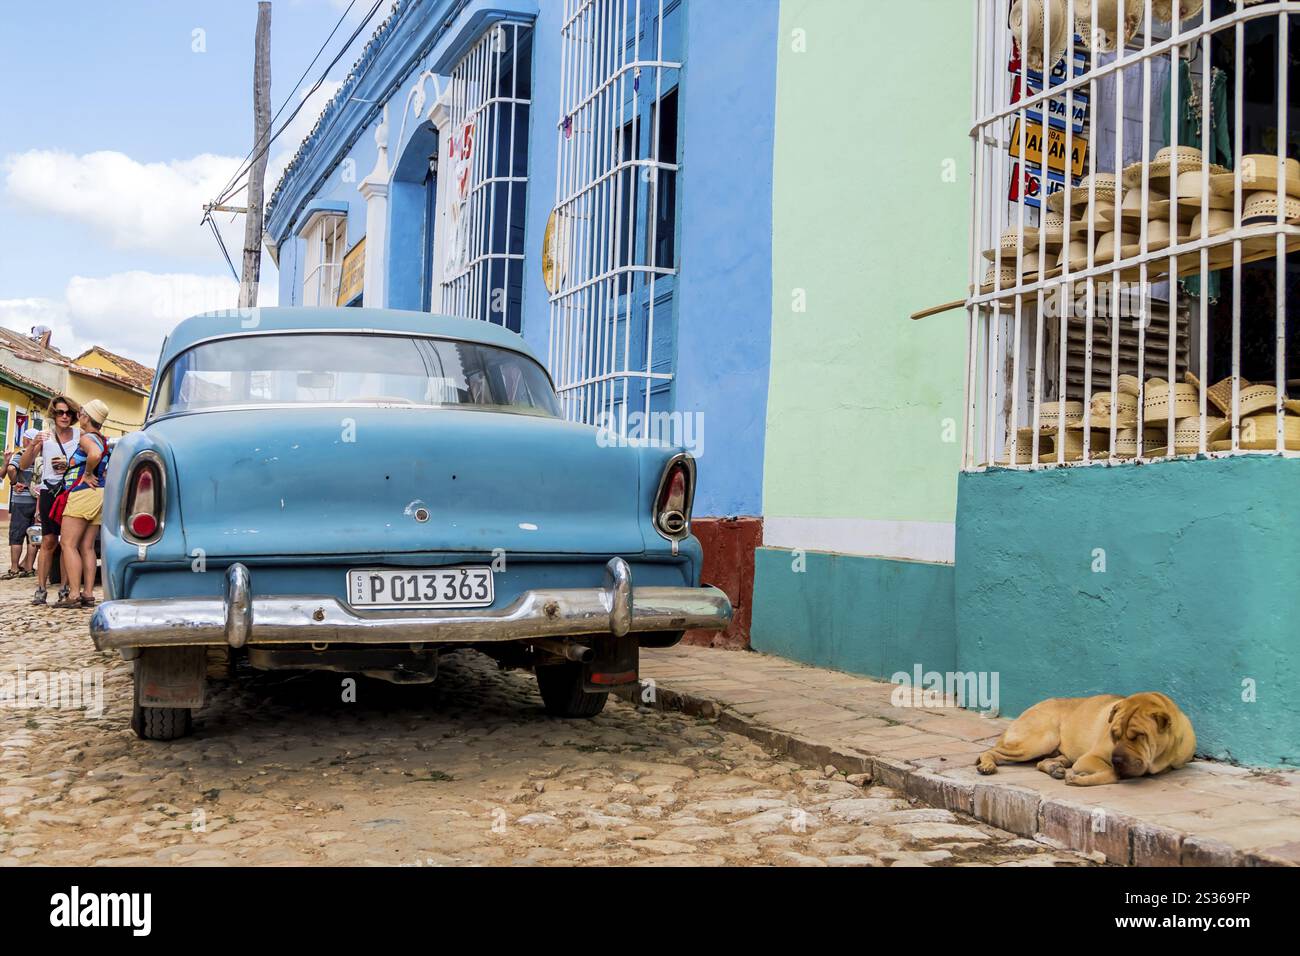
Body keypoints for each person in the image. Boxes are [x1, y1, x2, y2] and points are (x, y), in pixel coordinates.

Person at [19, 396, 80, 606]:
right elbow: (24, 464)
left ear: (73, 416)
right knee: (48, 541)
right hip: (49, 491)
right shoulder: (45, 437)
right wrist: (33, 445)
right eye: (60, 412)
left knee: (67, 543)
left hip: (71, 491)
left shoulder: (80, 436)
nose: (64, 416)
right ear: (53, 414)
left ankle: (64, 588)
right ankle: (41, 588)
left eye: (68, 413)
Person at [54, 400, 111, 609]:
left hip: (83, 493)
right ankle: (88, 593)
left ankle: (74, 594)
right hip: (99, 493)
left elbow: (94, 455)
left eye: (81, 413)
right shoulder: (102, 439)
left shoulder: (87, 438)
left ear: (87, 418)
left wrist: (86, 473)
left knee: (67, 544)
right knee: (87, 546)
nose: (78, 416)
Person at [3, 440, 38, 579]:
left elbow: (11, 469)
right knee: (33, 536)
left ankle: (14, 567)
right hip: (37, 501)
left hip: (20, 500)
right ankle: (29, 568)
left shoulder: (22, 454)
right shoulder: (41, 456)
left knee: (16, 535)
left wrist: (14, 482)